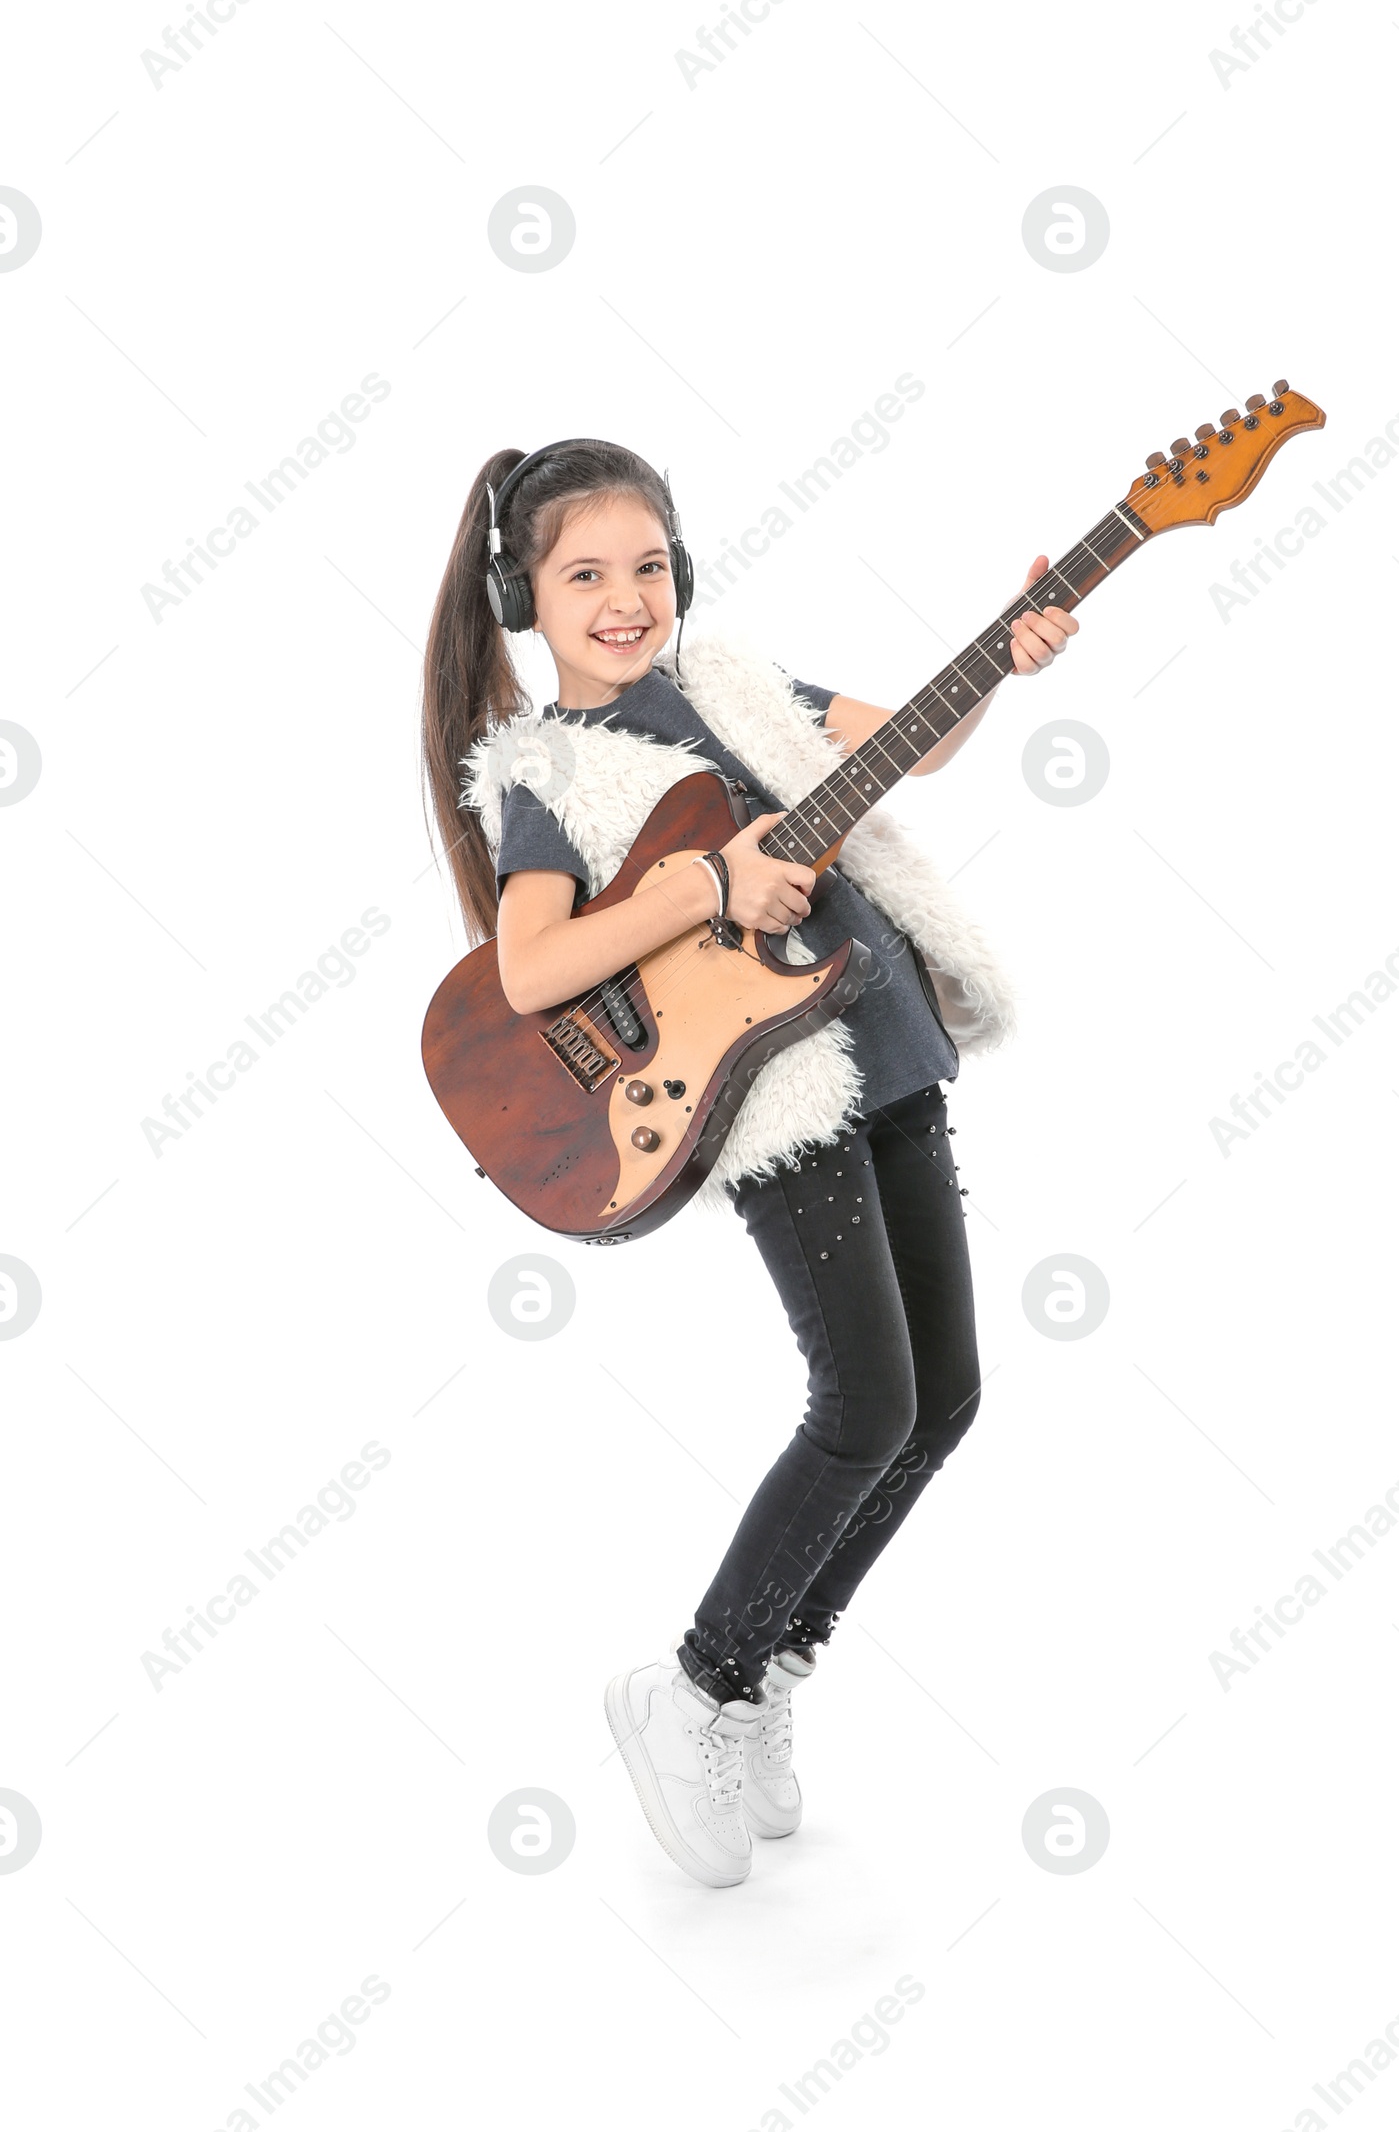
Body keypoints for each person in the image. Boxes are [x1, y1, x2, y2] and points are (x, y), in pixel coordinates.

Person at [421, 438, 1076, 1889]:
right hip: (764, 1092)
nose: (623, 597)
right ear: (526, 596)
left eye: (646, 565)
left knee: (944, 1397)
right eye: (583, 573)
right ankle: (694, 1685)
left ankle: (774, 1666)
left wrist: (1010, 655)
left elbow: (898, 731)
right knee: (864, 1404)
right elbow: (531, 970)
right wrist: (705, 885)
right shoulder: (550, 773)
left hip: (884, 1041)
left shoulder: (726, 683)